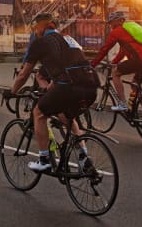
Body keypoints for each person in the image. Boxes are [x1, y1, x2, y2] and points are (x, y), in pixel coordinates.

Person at [7, 12, 99, 172]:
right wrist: (49, 87)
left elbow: (23, 74)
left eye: (35, 28)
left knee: (39, 113)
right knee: (66, 116)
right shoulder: (69, 39)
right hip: (91, 87)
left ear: (42, 26)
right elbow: (64, 66)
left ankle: (44, 160)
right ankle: (84, 158)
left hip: (69, 88)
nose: (35, 32)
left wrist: (12, 92)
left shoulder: (41, 42)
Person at [89, 11, 142, 112]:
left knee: (115, 72)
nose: (110, 25)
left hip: (139, 60)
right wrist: (114, 61)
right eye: (109, 23)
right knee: (135, 85)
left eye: (112, 22)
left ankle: (122, 104)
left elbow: (105, 49)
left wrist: (93, 64)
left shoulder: (117, 31)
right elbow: (124, 50)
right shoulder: (131, 28)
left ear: (120, 21)